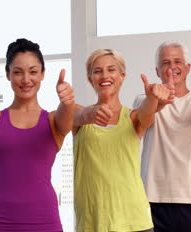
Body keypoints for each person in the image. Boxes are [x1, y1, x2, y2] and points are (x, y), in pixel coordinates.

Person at [0, 38, 74, 232]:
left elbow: (66, 117)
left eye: (33, 71)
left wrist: (67, 102)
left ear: (42, 74)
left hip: (43, 220)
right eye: (17, 72)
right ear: (8, 75)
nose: (26, 80)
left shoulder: (53, 120)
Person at [73, 48, 174, 232]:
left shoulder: (133, 117)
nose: (105, 75)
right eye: (97, 71)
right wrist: (92, 113)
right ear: (90, 79)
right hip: (92, 222)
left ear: (121, 76)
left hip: (134, 221)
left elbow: (146, 111)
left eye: (111, 69)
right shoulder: (79, 115)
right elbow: (75, 116)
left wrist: (152, 97)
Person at [133, 41, 191, 232]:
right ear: (157, 70)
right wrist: (155, 98)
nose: (172, 67)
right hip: (154, 199)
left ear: (188, 68)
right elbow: (146, 112)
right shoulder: (144, 100)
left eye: (177, 61)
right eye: (165, 63)